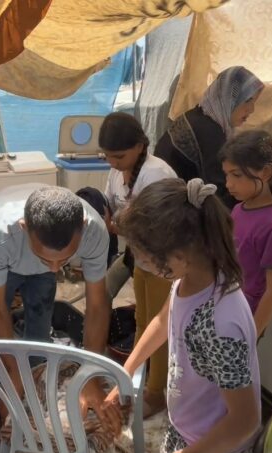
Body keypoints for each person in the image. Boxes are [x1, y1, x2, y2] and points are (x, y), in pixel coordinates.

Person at [106, 178, 261, 453]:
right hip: (187, 430)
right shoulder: (190, 278)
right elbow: (164, 319)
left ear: (180, 255)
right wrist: (126, 371)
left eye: (143, 256)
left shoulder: (219, 325)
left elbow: (245, 421)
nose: (139, 262)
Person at [0, 183, 121, 432]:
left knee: (39, 335)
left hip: (32, 252)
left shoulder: (94, 231)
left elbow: (97, 305)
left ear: (82, 228)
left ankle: (35, 394)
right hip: (3, 260)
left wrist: (90, 375)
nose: (55, 269)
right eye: (47, 259)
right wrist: (10, 376)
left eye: (64, 260)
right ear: (24, 227)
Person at [154, 66, 272, 243]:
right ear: (229, 99)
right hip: (173, 228)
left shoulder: (201, 118)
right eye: (248, 101)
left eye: (254, 102)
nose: (252, 109)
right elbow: (224, 194)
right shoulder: (209, 133)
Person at [99, 112, 177, 417]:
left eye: (118, 156)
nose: (112, 163)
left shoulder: (155, 174)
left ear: (140, 145)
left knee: (159, 329)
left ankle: (157, 393)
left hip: (162, 262)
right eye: (107, 157)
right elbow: (107, 202)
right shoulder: (118, 172)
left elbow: (158, 226)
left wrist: (117, 227)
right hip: (141, 260)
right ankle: (139, 378)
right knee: (143, 322)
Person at [220, 130, 272, 338]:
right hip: (224, 307)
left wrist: (251, 335)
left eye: (236, 175)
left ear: (266, 172)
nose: (228, 184)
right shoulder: (237, 210)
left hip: (244, 319)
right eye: (226, 175)